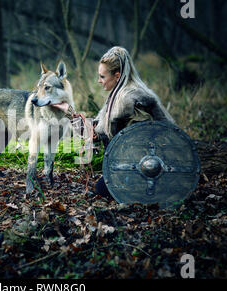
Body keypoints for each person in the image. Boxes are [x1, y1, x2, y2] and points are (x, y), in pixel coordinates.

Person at [53, 46, 175, 198]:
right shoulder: (118, 94)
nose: (99, 81)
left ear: (117, 76)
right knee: (101, 188)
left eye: (102, 77)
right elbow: (95, 129)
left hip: (144, 165)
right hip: (129, 160)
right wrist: (69, 111)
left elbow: (99, 133)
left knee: (102, 189)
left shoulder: (128, 100)